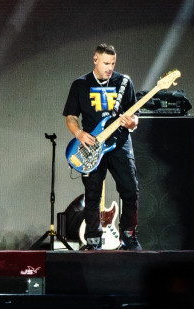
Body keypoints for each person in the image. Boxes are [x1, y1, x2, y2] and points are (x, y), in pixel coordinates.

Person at [63, 43, 140, 250]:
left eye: (113, 63)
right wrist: (79, 133)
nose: (110, 68)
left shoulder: (124, 82)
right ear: (95, 60)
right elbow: (71, 117)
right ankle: (93, 240)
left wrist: (131, 123)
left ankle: (129, 235)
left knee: (131, 190)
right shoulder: (80, 85)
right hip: (93, 146)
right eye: (106, 63)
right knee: (93, 193)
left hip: (120, 144)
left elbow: (135, 117)